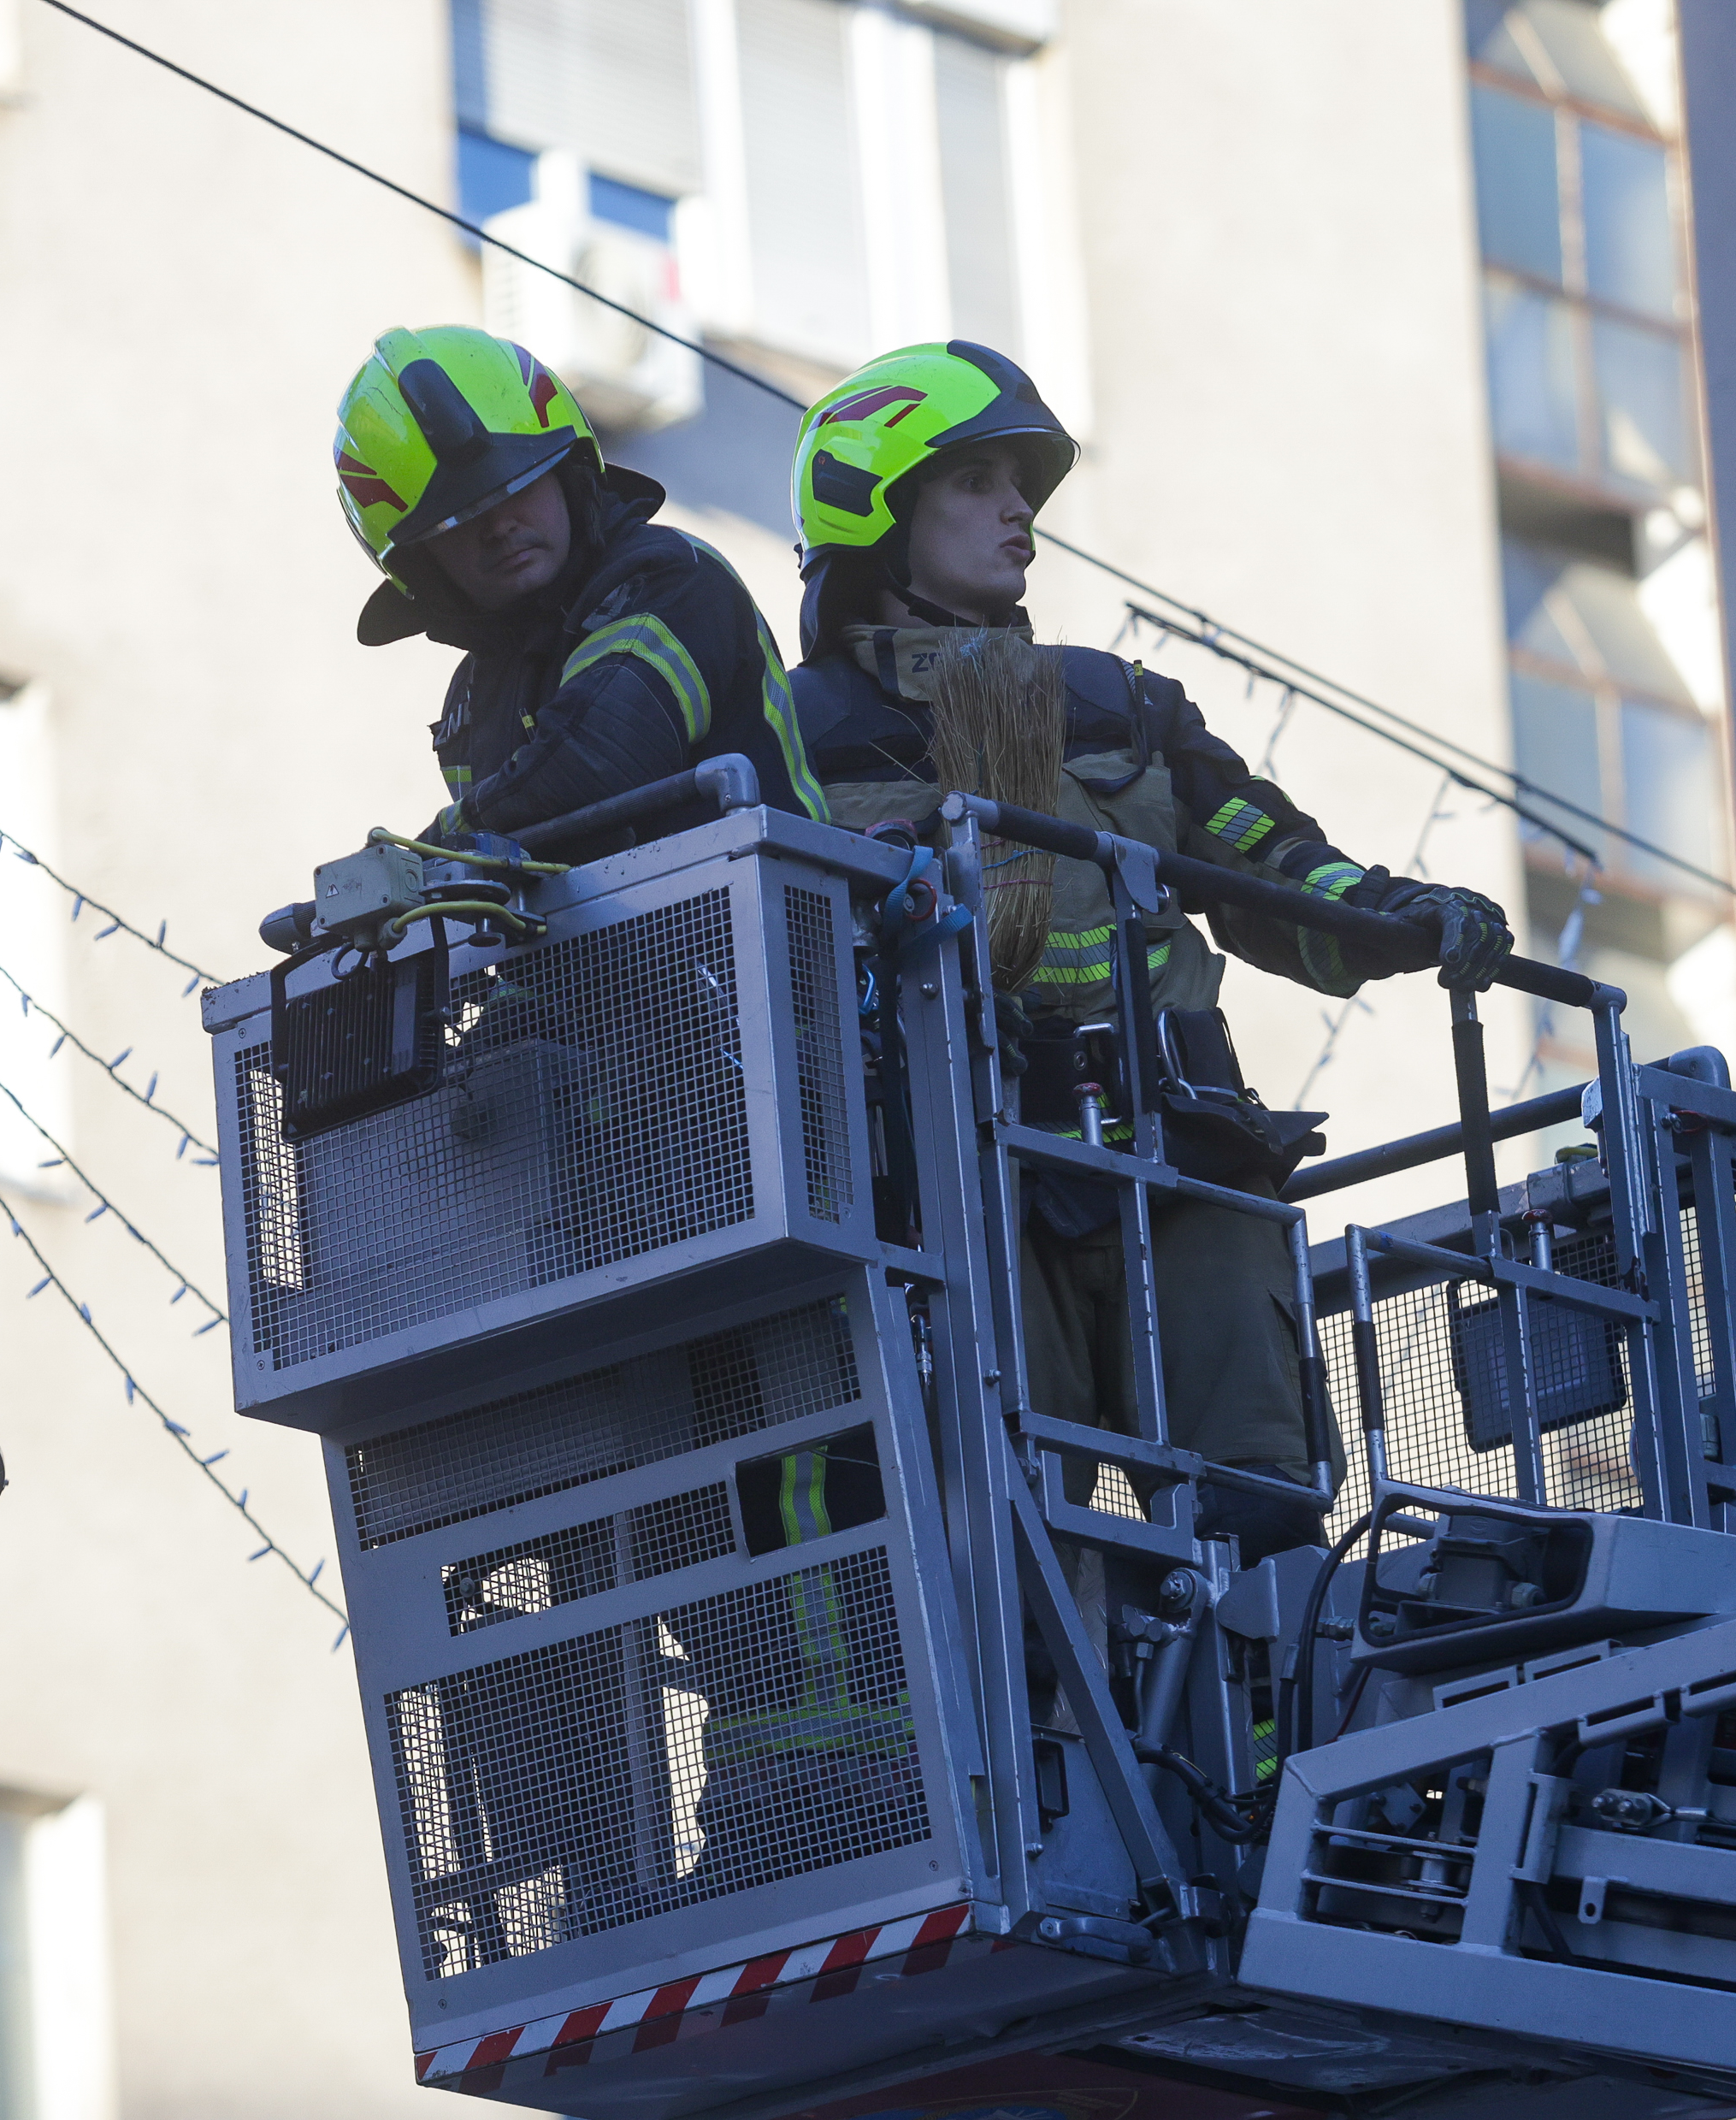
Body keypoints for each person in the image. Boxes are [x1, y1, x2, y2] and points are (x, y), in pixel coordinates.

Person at [788, 340, 1514, 1554]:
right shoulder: (796, 738)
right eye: (975, 479)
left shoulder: (1118, 703)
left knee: (1262, 1504)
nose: (1018, 509)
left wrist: (1396, 913)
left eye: (1023, 483)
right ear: (873, 507)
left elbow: (1270, 858)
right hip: (963, 1177)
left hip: (1183, 1156)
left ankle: (1265, 1671)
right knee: (1018, 1536)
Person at [333, 324, 828, 836]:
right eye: (454, 521)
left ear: (570, 478)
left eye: (518, 484)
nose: (499, 526)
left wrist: (425, 856)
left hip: (771, 889)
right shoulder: (471, 696)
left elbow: (595, 766)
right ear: (423, 565)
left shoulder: (670, 581)